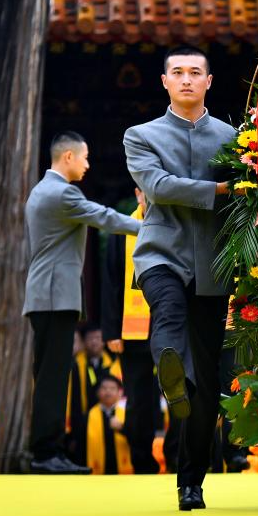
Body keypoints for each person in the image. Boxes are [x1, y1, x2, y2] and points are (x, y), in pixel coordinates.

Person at [123, 44, 236, 510]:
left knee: (206, 383)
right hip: (161, 254)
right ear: (164, 81)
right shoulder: (141, 135)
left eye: (195, 72)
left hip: (213, 265)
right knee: (167, 312)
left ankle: (191, 481)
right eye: (178, 72)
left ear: (209, 81)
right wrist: (220, 189)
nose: (186, 79)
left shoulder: (235, 139)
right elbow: (158, 187)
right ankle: (171, 372)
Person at [23, 131, 141, 475]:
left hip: (47, 295)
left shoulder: (41, 190)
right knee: (53, 376)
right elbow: (105, 217)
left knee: (50, 375)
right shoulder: (62, 193)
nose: (88, 164)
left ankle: (47, 450)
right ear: (68, 157)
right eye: (85, 157)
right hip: (53, 296)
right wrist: (149, 226)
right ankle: (46, 453)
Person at [101, 186, 159, 474]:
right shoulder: (121, 230)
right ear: (138, 194)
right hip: (131, 329)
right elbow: (110, 282)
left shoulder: (174, 225)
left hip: (166, 325)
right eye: (147, 193)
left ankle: (176, 456)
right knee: (138, 397)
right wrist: (111, 331)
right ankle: (141, 459)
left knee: (178, 394)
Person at [66, 324, 121, 465]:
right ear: (84, 342)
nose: (94, 342)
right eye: (90, 338)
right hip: (81, 419)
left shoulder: (113, 365)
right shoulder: (75, 365)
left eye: (98, 338)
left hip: (109, 417)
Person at [85, 375, 133, 475]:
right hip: (97, 473)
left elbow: (137, 439)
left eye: (112, 388)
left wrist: (122, 429)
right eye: (104, 388)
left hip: (122, 472)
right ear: (97, 392)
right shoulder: (88, 416)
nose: (108, 392)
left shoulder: (127, 414)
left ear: (120, 392)